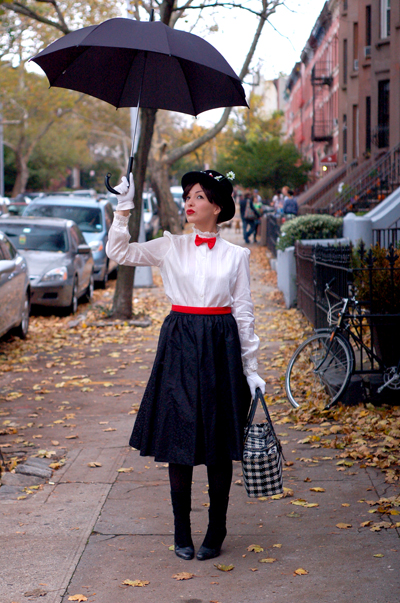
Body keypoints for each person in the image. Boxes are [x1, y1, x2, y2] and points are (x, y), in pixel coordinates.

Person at [106, 169, 265, 562]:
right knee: (179, 436)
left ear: (217, 206)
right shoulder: (169, 245)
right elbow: (119, 253)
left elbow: (243, 313)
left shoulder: (236, 255)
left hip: (221, 343)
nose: (189, 203)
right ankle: (181, 530)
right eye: (187, 196)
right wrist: (123, 209)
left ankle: (217, 526)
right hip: (179, 341)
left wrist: (252, 368)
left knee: (217, 442)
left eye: (197, 197)